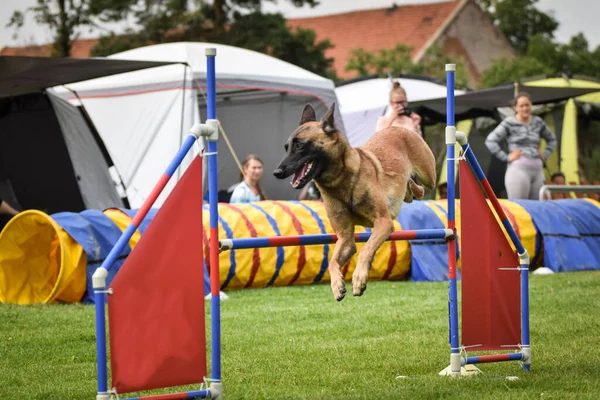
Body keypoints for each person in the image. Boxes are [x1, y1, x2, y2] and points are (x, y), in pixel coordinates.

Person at [485, 92, 557, 200]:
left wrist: (545, 155)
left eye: (527, 105)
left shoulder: (538, 122)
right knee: (519, 205)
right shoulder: (509, 122)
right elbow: (490, 140)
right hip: (519, 170)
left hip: (538, 171)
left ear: (531, 105)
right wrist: (507, 157)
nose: (525, 108)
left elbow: (552, 139)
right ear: (516, 108)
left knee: (537, 206)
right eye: (521, 106)